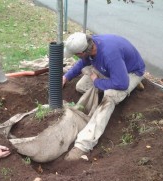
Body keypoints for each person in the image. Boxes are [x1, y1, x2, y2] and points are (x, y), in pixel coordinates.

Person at [62, 32, 146, 161]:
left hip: (130, 73)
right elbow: (82, 63)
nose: (77, 57)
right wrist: (66, 77)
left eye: (76, 55)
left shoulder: (109, 55)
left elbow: (122, 84)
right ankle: (118, 77)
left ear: (82, 52)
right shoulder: (90, 43)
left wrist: (97, 82)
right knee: (81, 86)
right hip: (114, 69)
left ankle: (83, 144)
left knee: (109, 96)